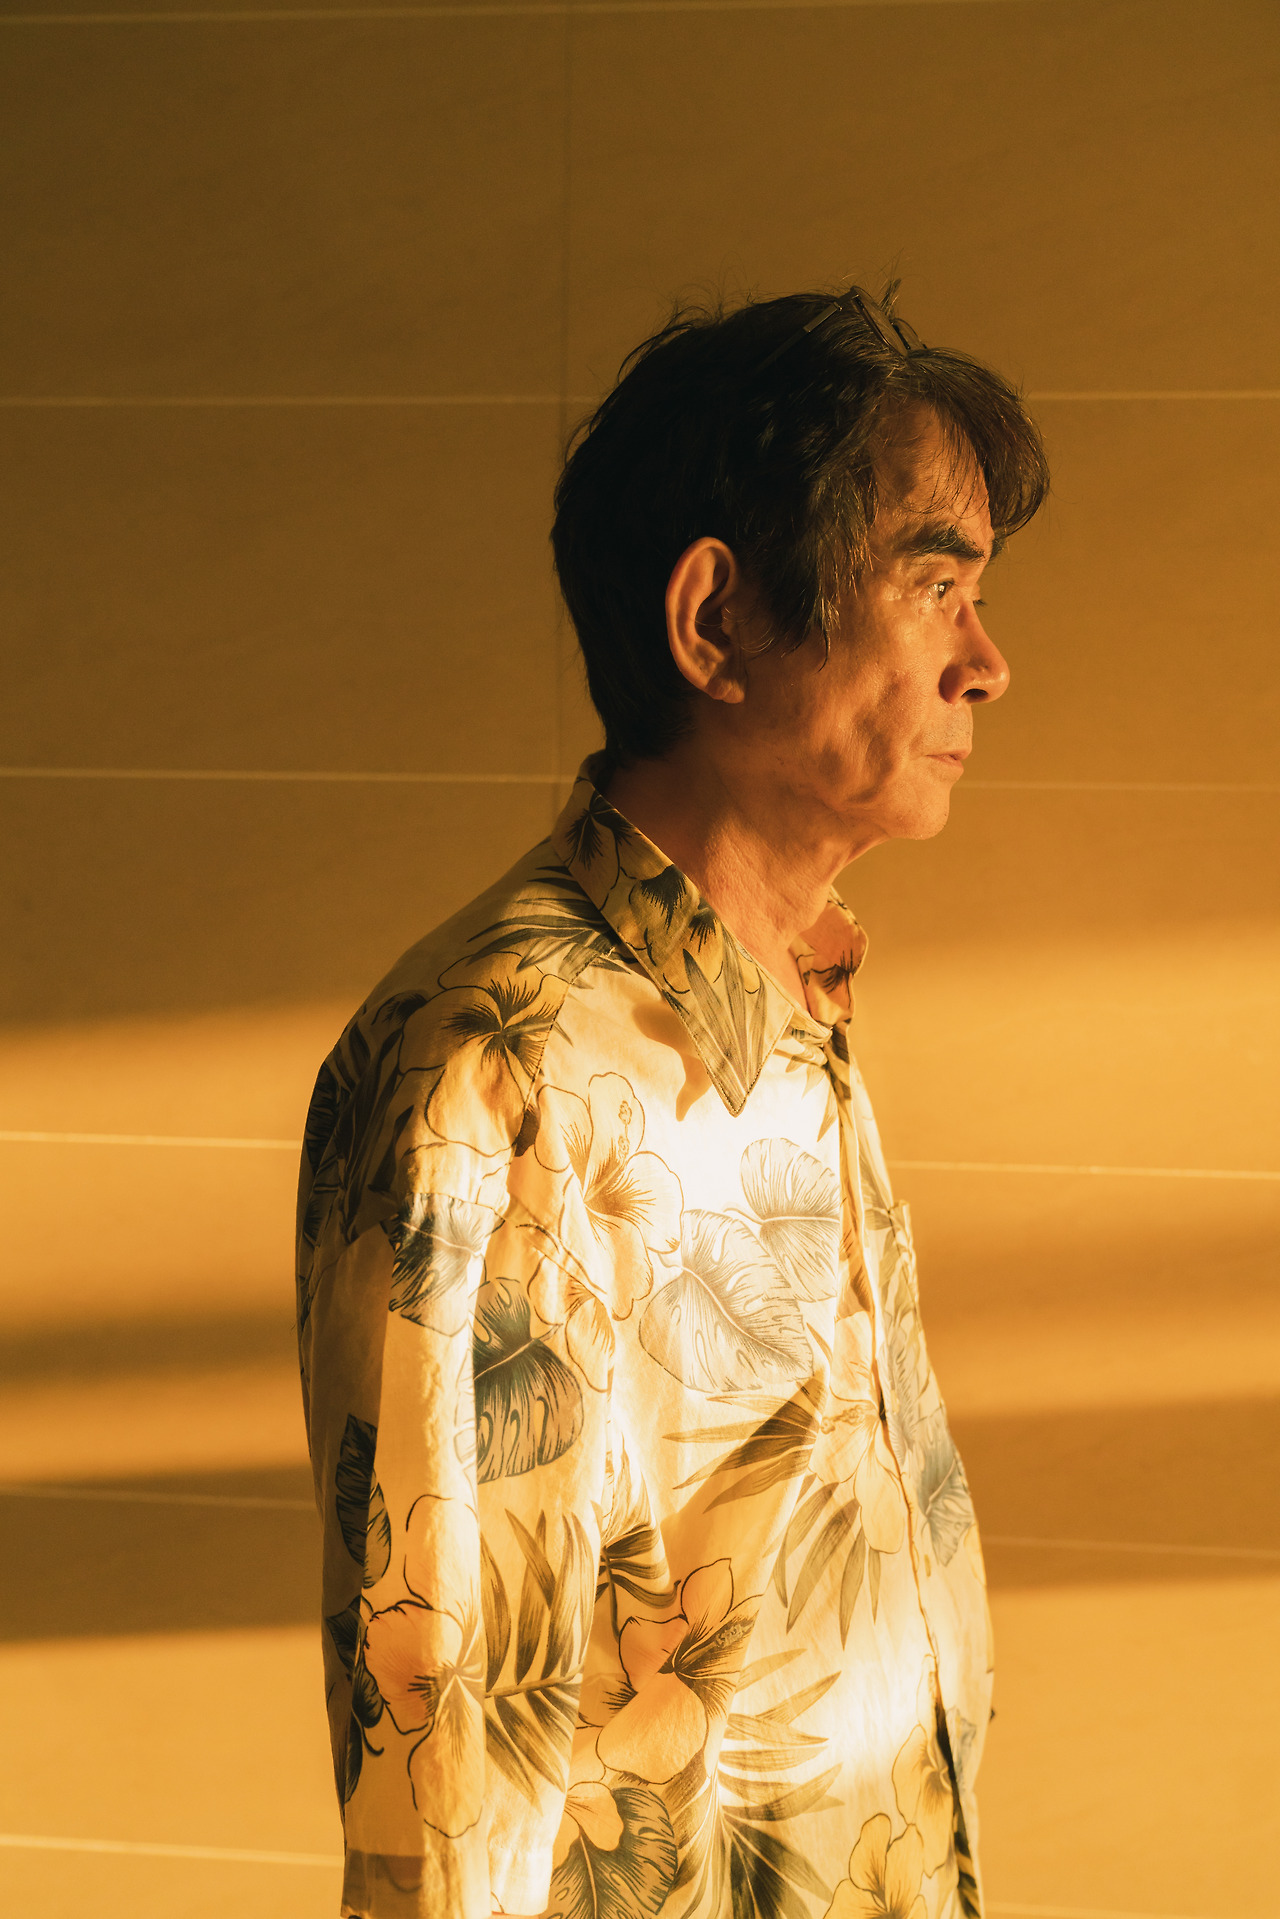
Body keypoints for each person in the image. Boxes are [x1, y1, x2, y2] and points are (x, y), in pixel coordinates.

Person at [296, 283, 1049, 1919]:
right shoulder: (500, 1068)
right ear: (715, 623)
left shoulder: (796, 998)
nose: (988, 665)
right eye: (936, 588)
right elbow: (451, 1753)